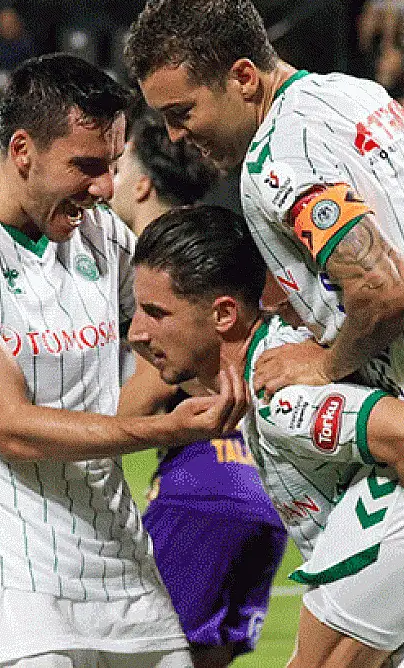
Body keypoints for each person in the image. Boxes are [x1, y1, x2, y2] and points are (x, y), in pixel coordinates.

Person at [126, 0, 404, 664]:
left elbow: (384, 291)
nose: (177, 135)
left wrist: (324, 363)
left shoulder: (278, 157)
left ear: (243, 77)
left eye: (182, 112)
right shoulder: (354, 96)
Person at [0, 53, 247, 668]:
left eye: (112, 166)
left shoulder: (102, 236)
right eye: (86, 166)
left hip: (115, 555)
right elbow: (8, 426)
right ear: (22, 150)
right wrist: (165, 430)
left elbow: (182, 336)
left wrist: (254, 359)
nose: (105, 188)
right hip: (1, 568)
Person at [129, 205, 404, 668]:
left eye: (156, 313)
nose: (136, 333)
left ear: (224, 314)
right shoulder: (275, 368)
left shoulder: (282, 397)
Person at [110, 112, 287, 668]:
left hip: (204, 483)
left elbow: (138, 399)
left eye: (117, 167)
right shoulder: (213, 243)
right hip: (262, 480)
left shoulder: (168, 271)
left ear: (143, 184)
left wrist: (66, 436)